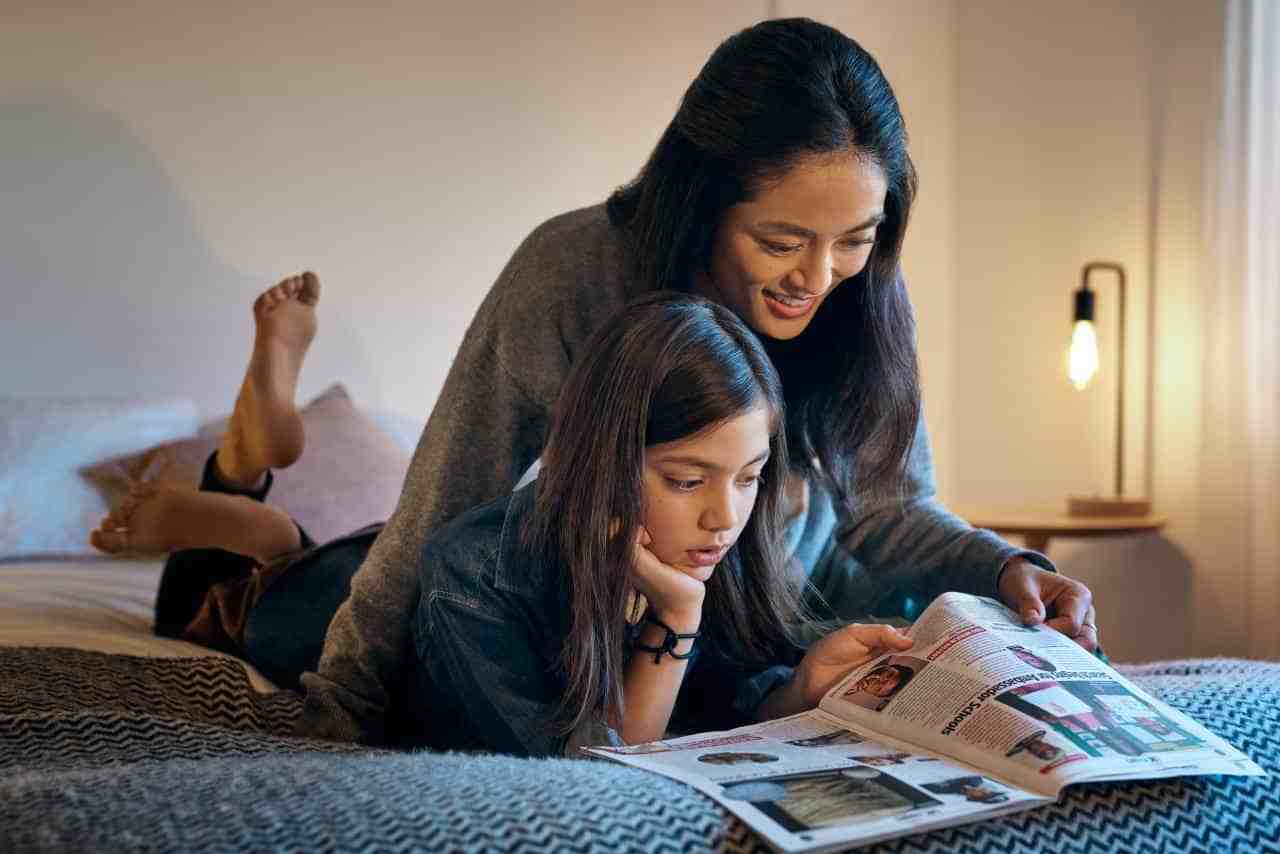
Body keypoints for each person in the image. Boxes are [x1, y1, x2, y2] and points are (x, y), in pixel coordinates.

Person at [240, 17, 1103, 744]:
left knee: (891, 615)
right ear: (703, 203)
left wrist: (1006, 567)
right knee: (314, 599)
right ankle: (243, 525)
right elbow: (445, 505)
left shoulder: (859, 291)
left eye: (855, 238)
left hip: (749, 611)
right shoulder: (571, 273)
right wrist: (339, 716)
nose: (818, 276)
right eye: (780, 241)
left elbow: (889, 508)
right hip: (586, 590)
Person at [93, 283, 920, 754]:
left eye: (747, 477)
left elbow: (723, 692)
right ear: (601, 456)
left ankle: (262, 510)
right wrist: (673, 617)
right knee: (211, 603)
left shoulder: (715, 539)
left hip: (378, 552)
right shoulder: (474, 574)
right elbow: (589, 767)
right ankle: (245, 508)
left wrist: (798, 690)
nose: (723, 515)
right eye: (685, 478)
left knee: (291, 549)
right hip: (324, 608)